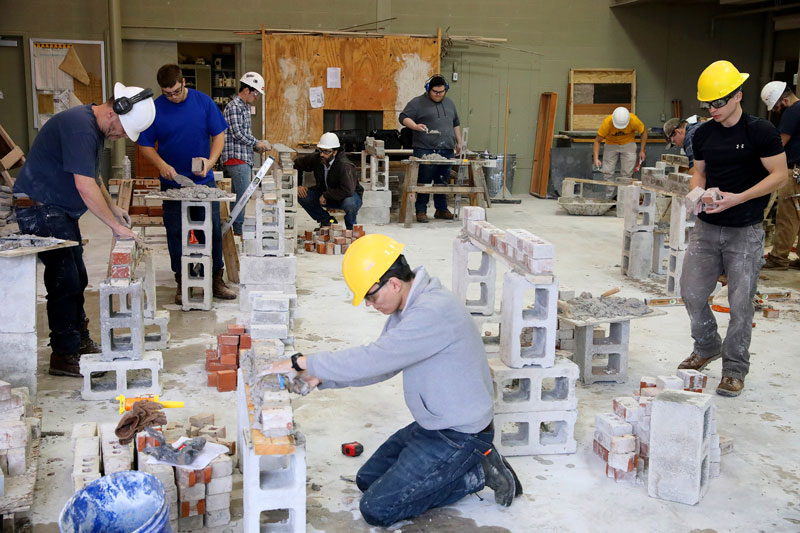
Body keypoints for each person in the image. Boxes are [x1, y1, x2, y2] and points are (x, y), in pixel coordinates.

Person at [266, 234, 522, 527]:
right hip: (433, 424)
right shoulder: (408, 307)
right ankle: (461, 466)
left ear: (394, 283)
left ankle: (476, 472)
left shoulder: (431, 312)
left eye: (371, 296)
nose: (369, 305)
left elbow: (375, 358)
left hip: (460, 434)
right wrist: (320, 378)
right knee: (368, 479)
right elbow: (382, 367)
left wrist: (303, 361)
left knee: (377, 508)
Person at [12, 83, 154, 377]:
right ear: (116, 112)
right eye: (124, 131)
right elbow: (84, 186)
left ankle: (79, 342)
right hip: (40, 207)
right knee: (65, 280)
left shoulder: (92, 128)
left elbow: (94, 175)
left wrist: (114, 208)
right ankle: (64, 355)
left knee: (77, 276)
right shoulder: (80, 127)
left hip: (56, 209)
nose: (122, 137)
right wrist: (115, 228)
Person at [678, 60, 787, 397]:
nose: (713, 110)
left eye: (719, 103)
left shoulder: (761, 132)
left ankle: (735, 369)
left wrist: (738, 198)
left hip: (745, 229)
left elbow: (779, 176)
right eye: (708, 104)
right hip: (707, 226)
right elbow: (700, 172)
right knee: (692, 292)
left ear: (738, 95)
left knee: (741, 305)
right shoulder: (704, 134)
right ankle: (708, 344)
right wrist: (698, 192)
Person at [138, 64, 235, 304]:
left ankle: (215, 278)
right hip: (172, 184)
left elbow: (219, 135)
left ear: (184, 82)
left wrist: (211, 162)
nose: (172, 97)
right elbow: (145, 145)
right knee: (176, 232)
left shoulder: (203, 102)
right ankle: (183, 281)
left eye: (175, 91)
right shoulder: (155, 109)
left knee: (210, 231)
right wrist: (161, 165)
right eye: (167, 93)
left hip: (204, 182)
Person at [399, 74, 462, 223]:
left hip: (447, 149)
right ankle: (421, 211)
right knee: (424, 181)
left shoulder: (450, 103)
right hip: (425, 149)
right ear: (428, 89)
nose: (438, 95)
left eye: (441, 92)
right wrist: (415, 126)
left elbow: (456, 123)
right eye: (435, 92)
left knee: (443, 181)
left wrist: (459, 141)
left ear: (445, 90)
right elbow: (403, 117)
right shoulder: (418, 102)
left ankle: (441, 209)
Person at [222, 72, 271, 236]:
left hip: (243, 157)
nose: (257, 97)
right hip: (236, 159)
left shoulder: (243, 107)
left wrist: (255, 147)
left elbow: (243, 135)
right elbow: (237, 133)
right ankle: (237, 231)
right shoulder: (234, 106)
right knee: (243, 197)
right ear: (247, 90)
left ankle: (235, 230)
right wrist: (256, 142)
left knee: (239, 197)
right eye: (256, 93)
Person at [760, 80, 800, 270]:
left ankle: (778, 259)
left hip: (794, 172)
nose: (776, 112)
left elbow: (779, 143)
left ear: (782, 101)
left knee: (788, 216)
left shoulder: (792, 112)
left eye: (776, 108)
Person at [294, 132, 363, 230]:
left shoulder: (345, 166)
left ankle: (351, 229)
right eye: (321, 150)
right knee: (301, 195)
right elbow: (297, 165)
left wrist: (326, 195)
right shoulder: (317, 158)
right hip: (326, 194)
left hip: (347, 196)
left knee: (349, 203)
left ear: (335, 152)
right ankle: (327, 221)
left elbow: (347, 190)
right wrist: (298, 185)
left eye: (326, 152)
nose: (322, 154)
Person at [593, 107, 647, 181]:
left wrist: (642, 150)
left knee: (627, 173)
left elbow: (643, 132)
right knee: (607, 172)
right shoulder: (607, 122)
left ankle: (624, 192)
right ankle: (609, 193)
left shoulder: (634, 120)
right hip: (611, 143)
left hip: (628, 143)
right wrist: (596, 159)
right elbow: (597, 141)